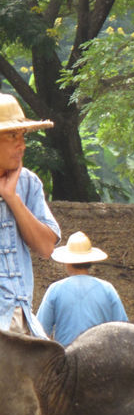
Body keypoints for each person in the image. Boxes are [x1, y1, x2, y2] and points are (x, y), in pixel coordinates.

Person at [0, 92, 60, 337]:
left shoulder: (28, 183)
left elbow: (46, 247)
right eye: (12, 136)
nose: (21, 145)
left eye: (22, 136)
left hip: (24, 320)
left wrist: (12, 198)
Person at [37, 231, 128, 346]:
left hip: (67, 357)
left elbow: (40, 331)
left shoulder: (55, 290)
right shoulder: (107, 289)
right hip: (102, 357)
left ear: (67, 262)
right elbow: (123, 330)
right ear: (89, 261)